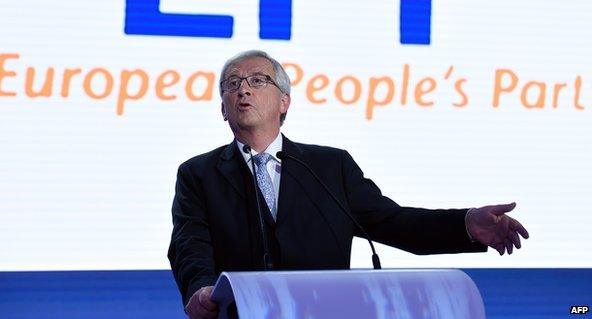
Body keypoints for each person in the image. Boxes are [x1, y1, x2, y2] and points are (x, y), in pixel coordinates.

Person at [168, 50, 529, 319]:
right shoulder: (198, 174)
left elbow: (395, 223)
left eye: (257, 80)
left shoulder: (330, 166)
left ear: (284, 101)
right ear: (223, 108)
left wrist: (465, 224)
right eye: (232, 84)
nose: (243, 89)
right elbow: (190, 245)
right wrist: (199, 289)